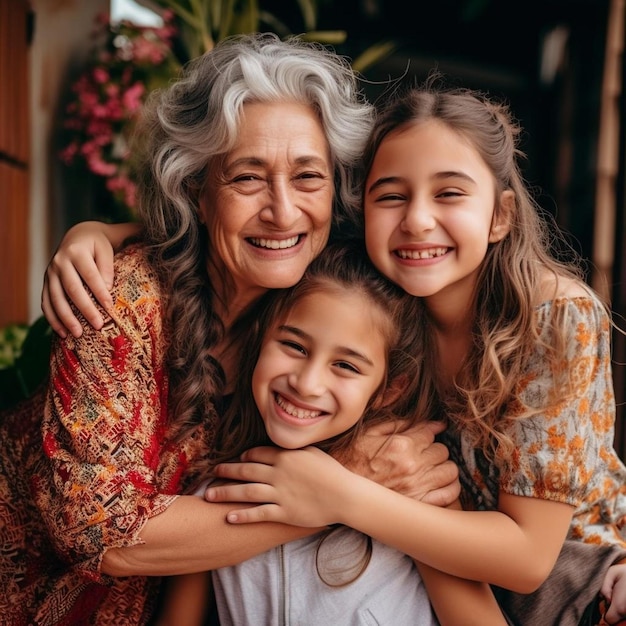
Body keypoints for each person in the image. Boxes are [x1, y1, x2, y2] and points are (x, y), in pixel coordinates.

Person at [0, 35, 460, 626]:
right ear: (196, 188)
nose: (283, 210)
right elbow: (102, 535)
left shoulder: (318, 297)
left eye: (308, 177)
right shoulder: (123, 303)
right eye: (247, 178)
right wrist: (344, 491)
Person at [197, 83, 626, 626]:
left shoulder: (551, 317)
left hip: (575, 592)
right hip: (440, 578)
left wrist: (339, 495)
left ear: (500, 216)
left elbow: (527, 559)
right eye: (391, 196)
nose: (417, 220)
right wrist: (102, 232)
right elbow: (238, 233)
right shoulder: (385, 289)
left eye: (449, 194)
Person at [157, 239, 445, 625]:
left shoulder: (411, 480)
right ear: (258, 341)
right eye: (294, 345)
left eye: (345, 366)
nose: (307, 383)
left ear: (389, 390)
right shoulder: (213, 494)